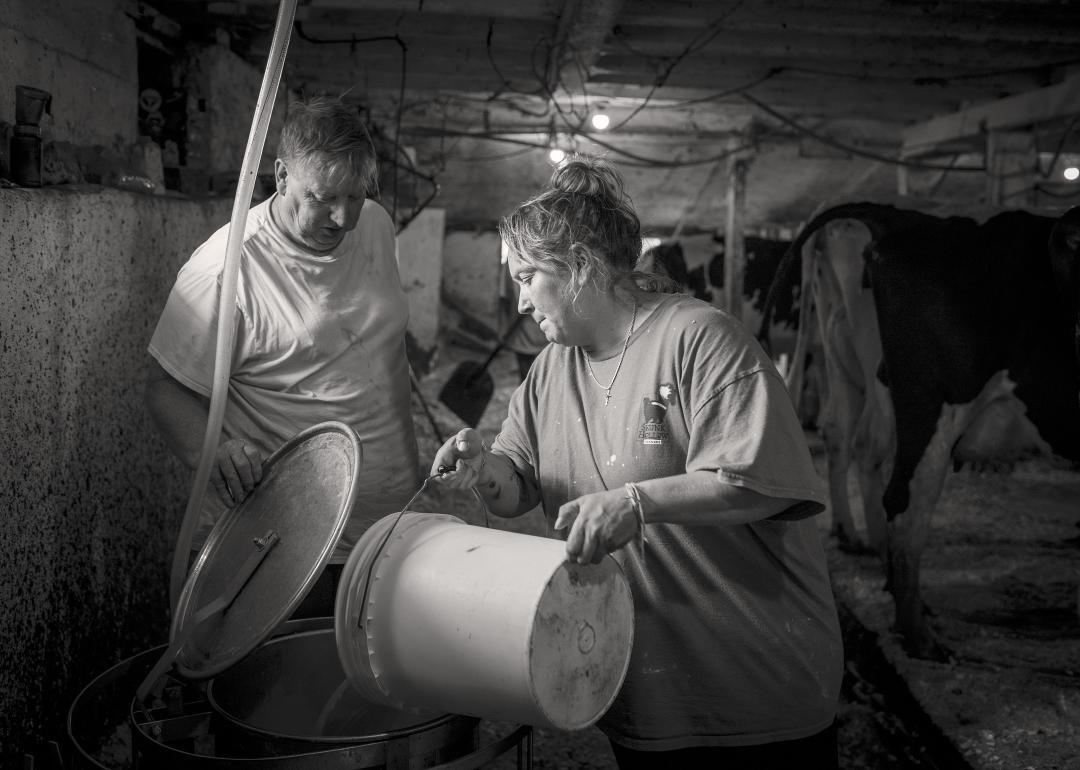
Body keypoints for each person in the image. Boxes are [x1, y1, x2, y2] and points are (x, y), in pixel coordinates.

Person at [430, 156, 843, 769]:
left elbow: (766, 486)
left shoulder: (701, 340)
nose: (518, 301)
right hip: (645, 688)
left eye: (526, 277)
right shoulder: (551, 368)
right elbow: (518, 486)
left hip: (751, 682)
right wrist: (481, 468)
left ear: (579, 266)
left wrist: (636, 502)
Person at [145, 94, 420, 615]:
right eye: (323, 197)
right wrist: (217, 450)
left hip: (389, 524)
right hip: (290, 539)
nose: (343, 217)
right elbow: (164, 390)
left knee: (373, 688)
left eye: (356, 196)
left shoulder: (376, 225)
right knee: (289, 687)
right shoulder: (227, 271)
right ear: (280, 174)